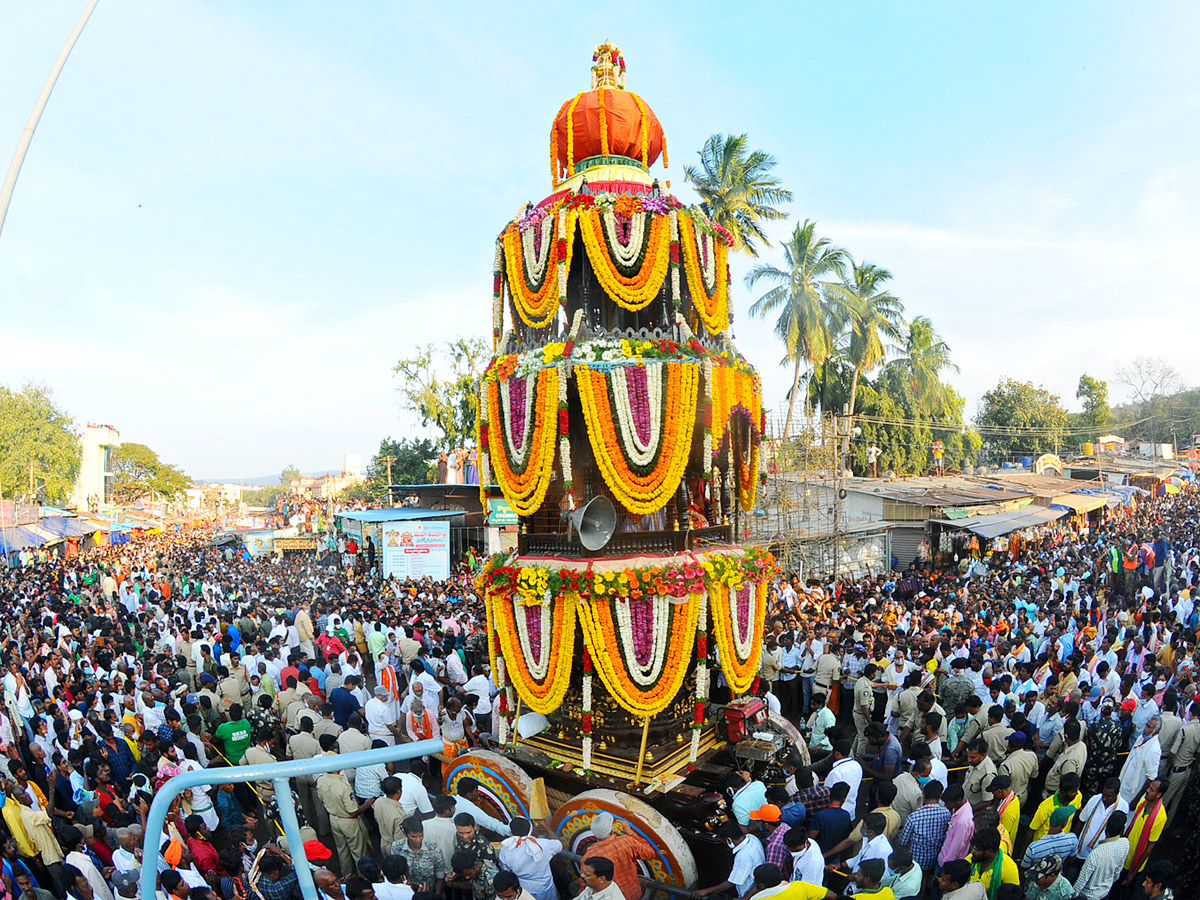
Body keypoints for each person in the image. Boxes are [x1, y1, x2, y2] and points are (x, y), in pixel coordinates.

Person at [690, 823, 763, 898]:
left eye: (723, 841)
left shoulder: (743, 857)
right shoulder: (752, 838)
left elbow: (731, 883)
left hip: (748, 892)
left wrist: (705, 891)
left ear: (728, 839)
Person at [496, 817, 561, 900]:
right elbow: (559, 845)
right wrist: (546, 827)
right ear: (530, 829)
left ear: (511, 831)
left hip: (525, 891)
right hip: (546, 888)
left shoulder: (505, 851)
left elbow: (506, 871)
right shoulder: (544, 844)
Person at [1071, 811, 1129, 900]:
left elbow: (1082, 881)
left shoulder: (1096, 853)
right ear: (1122, 829)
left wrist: (1073, 896)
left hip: (1088, 896)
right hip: (1105, 892)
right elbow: (1117, 871)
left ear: (1106, 828)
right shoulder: (1125, 844)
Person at [1122, 777, 1168, 885]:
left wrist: (1133, 872)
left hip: (1133, 863)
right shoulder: (1143, 803)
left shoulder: (1160, 817)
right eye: (1149, 787)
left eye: (1152, 789)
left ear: (1159, 795)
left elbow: (1149, 847)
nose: (1147, 790)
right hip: (1124, 856)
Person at [897, 780, 949, 872]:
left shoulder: (914, 817)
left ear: (923, 795)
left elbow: (902, 842)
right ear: (941, 795)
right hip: (936, 859)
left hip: (916, 862)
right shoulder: (946, 813)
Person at [966, 828, 1018, 898]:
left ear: (989, 851)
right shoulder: (972, 858)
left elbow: (1012, 896)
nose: (973, 851)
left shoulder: (1009, 868)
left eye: (977, 849)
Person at [1020, 807, 1077, 872]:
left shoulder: (1033, 848)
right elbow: (1071, 859)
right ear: (1065, 824)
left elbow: (1024, 868)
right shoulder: (1072, 839)